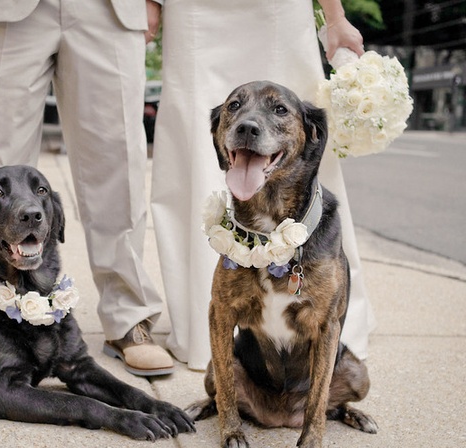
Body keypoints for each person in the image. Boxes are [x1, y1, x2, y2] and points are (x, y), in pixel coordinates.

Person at [0, 0, 175, 376]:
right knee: (2, 175)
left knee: (117, 165)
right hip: (3, 10)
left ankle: (127, 317)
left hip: (108, 10)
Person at [150, 0, 376, 371]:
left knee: (293, 147)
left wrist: (335, 17)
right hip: (191, 11)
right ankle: (203, 328)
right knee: (188, 156)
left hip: (277, 10)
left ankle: (321, 308)